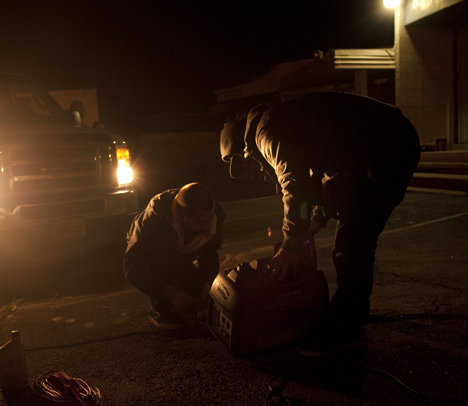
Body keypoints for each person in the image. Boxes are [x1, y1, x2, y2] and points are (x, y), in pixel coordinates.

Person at [220, 92, 421, 355]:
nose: (256, 168)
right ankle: (354, 312)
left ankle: (343, 330)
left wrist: (291, 245)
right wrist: (318, 217)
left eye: (247, 162)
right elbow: (328, 173)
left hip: (388, 147)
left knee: (353, 239)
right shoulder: (281, 121)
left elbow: (294, 183)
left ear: (243, 150)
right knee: (355, 234)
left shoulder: (266, 133)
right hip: (383, 145)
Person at [123, 183, 225, 330]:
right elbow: (131, 267)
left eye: (209, 220)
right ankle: (160, 308)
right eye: (201, 222)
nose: (208, 227)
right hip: (156, 253)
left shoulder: (214, 215)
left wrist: (207, 282)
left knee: (197, 296)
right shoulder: (153, 221)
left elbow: (209, 253)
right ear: (183, 217)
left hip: (180, 248)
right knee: (172, 287)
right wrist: (170, 292)